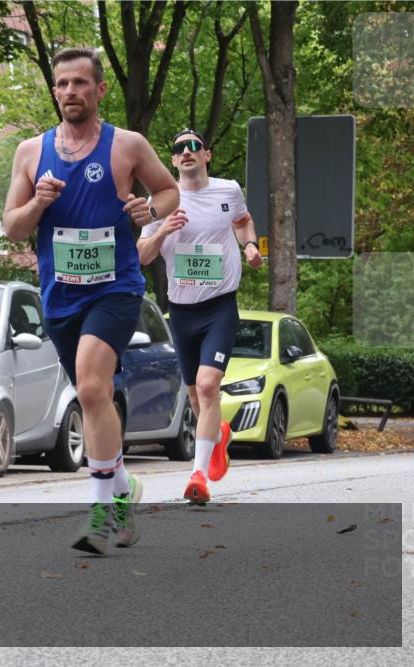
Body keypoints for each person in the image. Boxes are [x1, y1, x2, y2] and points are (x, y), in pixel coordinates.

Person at [3, 47, 180, 555]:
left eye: (80, 83)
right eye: (62, 84)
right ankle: (124, 489)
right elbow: (12, 227)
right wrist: (37, 201)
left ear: (100, 90)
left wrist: (149, 208)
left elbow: (168, 192)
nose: (69, 92)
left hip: (115, 287)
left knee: (91, 382)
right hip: (60, 297)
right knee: (91, 395)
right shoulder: (31, 152)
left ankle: (101, 512)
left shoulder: (126, 146)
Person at [138, 128, 264, 504]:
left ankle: (197, 476)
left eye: (195, 146)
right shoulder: (160, 201)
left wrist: (251, 246)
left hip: (220, 305)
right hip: (181, 311)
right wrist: (163, 230)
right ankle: (218, 436)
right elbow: (144, 254)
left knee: (209, 386)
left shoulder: (228, 190)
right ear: (174, 160)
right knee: (195, 395)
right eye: (180, 148)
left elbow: (242, 221)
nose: (188, 151)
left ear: (206, 155)